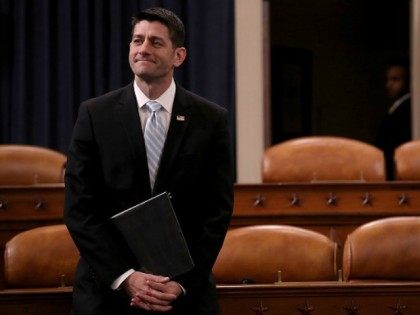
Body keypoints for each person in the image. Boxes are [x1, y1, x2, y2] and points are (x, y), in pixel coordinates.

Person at [64, 7, 234, 315]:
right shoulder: (94, 115)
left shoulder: (211, 119)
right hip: (109, 286)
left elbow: (216, 211)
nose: (143, 49)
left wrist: (181, 283)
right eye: (137, 40)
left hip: (182, 289)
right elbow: (80, 210)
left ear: (178, 56)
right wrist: (127, 277)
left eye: (156, 42)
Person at [376, 59, 411, 180]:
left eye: (395, 80)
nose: (389, 85)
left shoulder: (408, 109)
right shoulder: (397, 107)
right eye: (388, 80)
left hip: (400, 172)